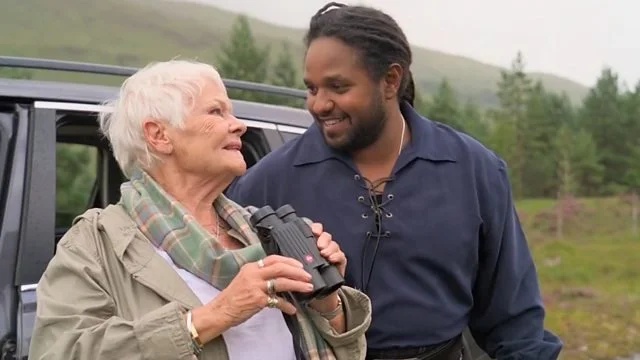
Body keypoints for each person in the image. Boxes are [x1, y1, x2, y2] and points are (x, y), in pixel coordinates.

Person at [225, 2, 563, 360]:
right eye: (311, 89)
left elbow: (514, 320)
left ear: (390, 80)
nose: (320, 104)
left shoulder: (474, 170)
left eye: (337, 87)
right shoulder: (267, 182)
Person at [28, 59, 372, 360]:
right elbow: (61, 353)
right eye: (216, 111)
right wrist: (215, 315)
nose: (239, 125)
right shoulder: (94, 244)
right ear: (159, 135)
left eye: (231, 112)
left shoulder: (265, 228)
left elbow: (345, 347)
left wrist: (325, 299)